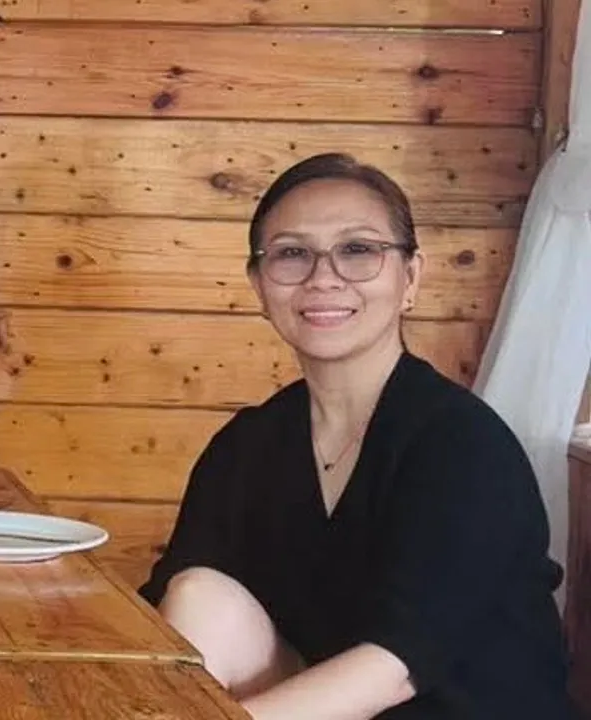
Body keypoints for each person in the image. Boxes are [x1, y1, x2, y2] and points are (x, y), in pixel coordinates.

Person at [138, 153, 576, 719]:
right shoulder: (247, 447)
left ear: (410, 277)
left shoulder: (464, 445)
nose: (323, 277)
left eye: (358, 249)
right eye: (292, 253)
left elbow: (395, 667)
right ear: (259, 285)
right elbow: (164, 628)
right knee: (198, 594)